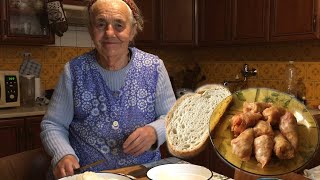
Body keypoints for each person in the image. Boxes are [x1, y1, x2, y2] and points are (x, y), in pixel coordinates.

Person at [40, 0, 176, 178]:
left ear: (133, 30)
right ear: (91, 29)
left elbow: (173, 117)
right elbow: (53, 124)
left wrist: (154, 132)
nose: (109, 33)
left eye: (119, 25)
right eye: (101, 24)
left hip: (141, 172)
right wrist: (64, 154)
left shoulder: (154, 67)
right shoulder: (74, 70)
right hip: (89, 175)